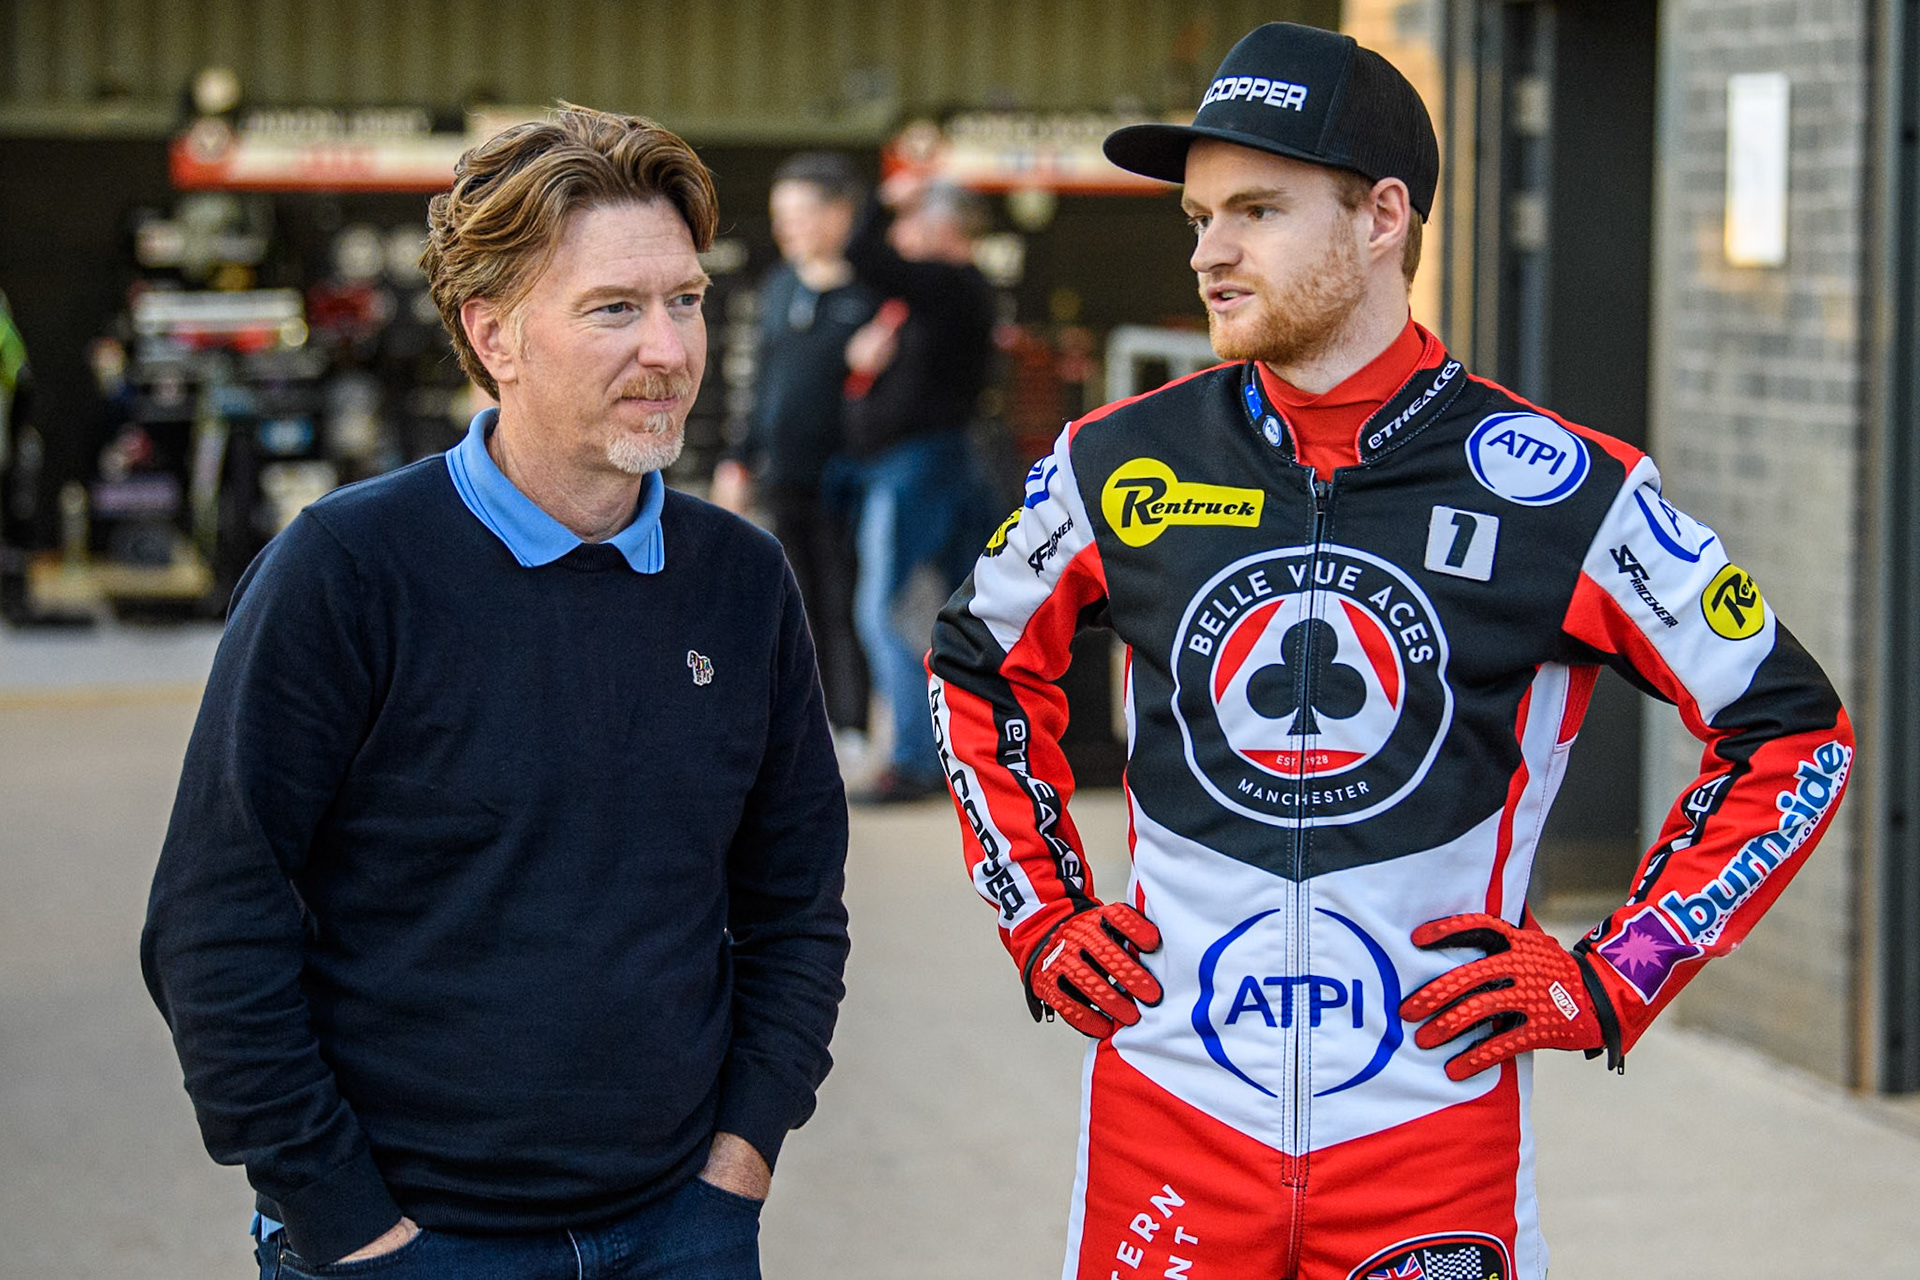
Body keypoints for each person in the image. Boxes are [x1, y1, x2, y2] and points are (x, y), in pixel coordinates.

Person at [928, 23, 1851, 1280]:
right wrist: (1038, 911)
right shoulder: (1116, 458)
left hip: (1430, 1141)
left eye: (1256, 210)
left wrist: (1621, 968)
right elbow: (977, 662)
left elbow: (1795, 731)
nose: (1207, 253)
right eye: (1199, 216)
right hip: (1171, 1123)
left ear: (1382, 217)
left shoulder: (1566, 489)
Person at [141, 105, 850, 1280]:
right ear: (494, 333)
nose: (669, 349)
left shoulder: (740, 580)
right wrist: (343, 1219)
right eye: (613, 309)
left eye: (685, 300)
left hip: (682, 1226)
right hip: (408, 1241)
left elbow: (796, 901)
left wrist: (740, 1161)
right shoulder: (345, 570)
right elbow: (213, 922)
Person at [712, 152, 879, 751]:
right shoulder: (779, 286)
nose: (787, 228)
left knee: (847, 602)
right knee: (798, 604)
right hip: (783, 477)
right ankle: (816, 724)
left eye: (800, 214)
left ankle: (855, 726)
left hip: (848, 481)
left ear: (840, 214)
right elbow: (762, 387)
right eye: (780, 215)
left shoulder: (873, 294)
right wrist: (738, 459)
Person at [842, 177, 998, 802]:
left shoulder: (952, 283)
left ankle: (913, 760)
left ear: (944, 228)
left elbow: (863, 255)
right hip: (920, 465)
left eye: (912, 223)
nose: (902, 236)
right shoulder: (942, 295)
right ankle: (963, 754)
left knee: (883, 610)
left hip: (919, 468)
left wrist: (886, 196)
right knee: (955, 614)